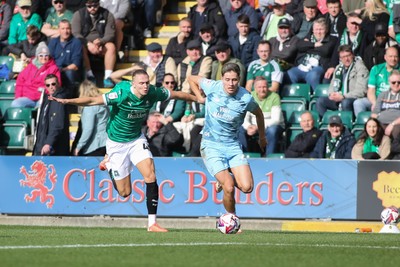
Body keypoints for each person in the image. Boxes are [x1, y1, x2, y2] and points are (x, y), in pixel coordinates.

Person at [50, 69, 198, 232]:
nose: (145, 86)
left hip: (136, 139)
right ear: (133, 84)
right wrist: (67, 101)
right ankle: (111, 167)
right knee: (125, 192)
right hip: (116, 144)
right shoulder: (121, 93)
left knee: (150, 174)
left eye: (147, 82)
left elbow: (177, 95)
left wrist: (198, 99)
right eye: (141, 83)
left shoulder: (153, 92)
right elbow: (93, 100)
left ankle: (152, 223)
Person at [187, 63, 267, 220]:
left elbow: (259, 114)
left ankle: (224, 177)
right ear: (221, 78)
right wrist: (199, 97)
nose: (231, 84)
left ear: (239, 80)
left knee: (247, 187)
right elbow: (191, 78)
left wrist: (262, 137)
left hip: (232, 146)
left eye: (234, 80)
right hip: (211, 145)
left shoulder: (245, 98)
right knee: (229, 187)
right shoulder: (212, 86)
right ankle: (231, 219)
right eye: (227, 79)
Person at [71, 0, 116, 87]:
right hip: (85, 43)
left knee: (111, 46)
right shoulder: (79, 14)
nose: (92, 8)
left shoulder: (107, 14)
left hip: (101, 43)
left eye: (95, 6)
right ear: (86, 5)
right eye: (89, 6)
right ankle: (89, 75)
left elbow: (110, 34)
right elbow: (76, 34)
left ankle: (108, 77)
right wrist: (88, 44)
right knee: (79, 46)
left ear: (99, 4)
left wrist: (101, 42)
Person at [287, 17, 339, 93]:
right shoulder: (308, 37)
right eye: (316, 29)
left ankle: (315, 98)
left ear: (326, 30)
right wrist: (314, 44)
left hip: (319, 67)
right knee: (290, 74)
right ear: (313, 30)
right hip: (303, 65)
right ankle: (296, 97)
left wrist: (307, 46)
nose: (318, 32)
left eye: (321, 29)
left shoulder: (332, 39)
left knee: (312, 75)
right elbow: (299, 45)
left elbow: (326, 50)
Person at [315, 44, 369, 118]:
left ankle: (347, 125)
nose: (346, 59)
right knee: (320, 101)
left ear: (352, 55)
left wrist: (343, 96)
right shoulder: (338, 68)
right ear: (340, 58)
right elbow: (332, 85)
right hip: (339, 97)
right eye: (343, 57)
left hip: (352, 98)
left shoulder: (360, 67)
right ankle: (327, 124)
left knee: (345, 102)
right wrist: (332, 95)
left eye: (348, 55)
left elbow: (361, 91)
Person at [240, 76, 284, 155]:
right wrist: (248, 126)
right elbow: (244, 116)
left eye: (264, 87)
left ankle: (269, 157)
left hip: (271, 125)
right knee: (239, 128)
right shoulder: (250, 96)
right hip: (253, 125)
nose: (262, 90)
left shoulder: (274, 97)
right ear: (255, 88)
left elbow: (276, 120)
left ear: (268, 87)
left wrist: (258, 127)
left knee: (272, 130)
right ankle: (244, 155)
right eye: (259, 87)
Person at [11, 42, 61, 108]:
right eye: (41, 55)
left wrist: (46, 95)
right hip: (28, 97)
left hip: (43, 97)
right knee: (15, 104)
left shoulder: (53, 68)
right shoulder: (29, 67)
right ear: (37, 56)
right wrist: (18, 97)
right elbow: (20, 82)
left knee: (43, 108)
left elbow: (57, 84)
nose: (44, 58)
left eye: (46, 55)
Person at [355, 46, 400, 113]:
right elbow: (371, 91)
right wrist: (375, 103)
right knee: (358, 103)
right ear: (385, 57)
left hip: (395, 100)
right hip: (377, 99)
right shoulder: (376, 69)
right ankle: (365, 123)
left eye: (395, 56)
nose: (393, 59)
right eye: (390, 56)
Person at [33, 74, 69, 156]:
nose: (51, 87)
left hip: (53, 149)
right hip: (42, 144)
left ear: (58, 84)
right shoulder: (47, 99)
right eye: (48, 85)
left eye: (53, 84)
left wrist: (49, 143)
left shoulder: (59, 99)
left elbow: (57, 124)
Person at [110, 42, 177, 87]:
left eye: (158, 52)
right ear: (148, 53)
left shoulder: (168, 60)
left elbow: (171, 80)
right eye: (153, 52)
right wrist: (132, 68)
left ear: (162, 52)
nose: (156, 55)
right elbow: (113, 76)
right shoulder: (142, 64)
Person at [48, 19, 83, 98]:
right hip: (55, 70)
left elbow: (75, 65)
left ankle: (69, 97)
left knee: (70, 73)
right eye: (63, 29)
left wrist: (62, 70)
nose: (65, 31)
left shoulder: (76, 42)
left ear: (71, 29)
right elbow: (49, 60)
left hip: (69, 71)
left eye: (68, 28)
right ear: (59, 30)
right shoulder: (53, 42)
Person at [73, 80, 108, 156]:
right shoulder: (105, 105)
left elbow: (88, 129)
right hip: (107, 143)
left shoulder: (89, 107)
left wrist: (79, 146)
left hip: (95, 145)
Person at [371, 69, 400, 139]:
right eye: (393, 82)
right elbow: (375, 113)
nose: (396, 84)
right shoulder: (382, 95)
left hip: (396, 124)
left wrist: (392, 124)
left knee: (396, 131)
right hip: (381, 123)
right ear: (389, 82)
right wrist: (373, 124)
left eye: (399, 82)